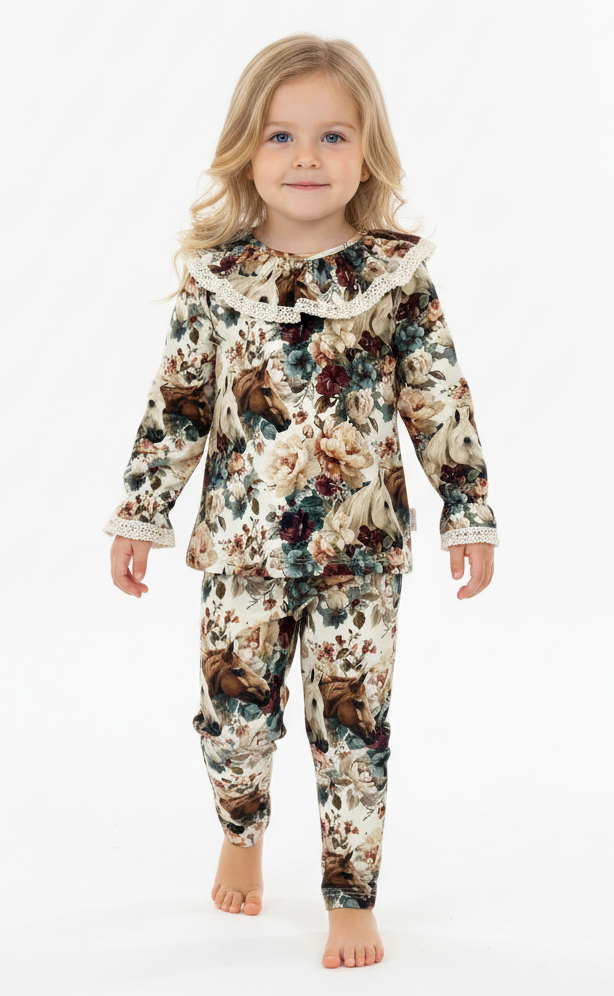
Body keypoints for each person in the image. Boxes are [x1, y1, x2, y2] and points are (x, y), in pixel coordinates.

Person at [103, 33, 499, 970]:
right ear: (246, 150)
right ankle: (240, 831)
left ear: (366, 152)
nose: (306, 157)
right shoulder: (217, 277)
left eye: (332, 136)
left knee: (354, 731)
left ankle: (350, 896)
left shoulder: (395, 277)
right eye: (281, 136)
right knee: (231, 721)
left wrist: (467, 508)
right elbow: (179, 403)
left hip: (360, 556)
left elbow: (437, 399)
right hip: (240, 549)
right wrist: (142, 510)